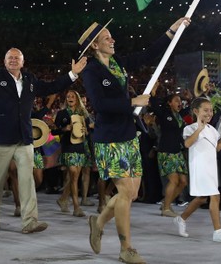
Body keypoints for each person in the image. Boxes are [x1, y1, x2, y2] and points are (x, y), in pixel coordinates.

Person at [80, 17, 189, 264]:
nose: (112, 39)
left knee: (131, 193)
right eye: (107, 37)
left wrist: (172, 30)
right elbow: (99, 105)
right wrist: (133, 101)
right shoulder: (91, 70)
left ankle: (97, 223)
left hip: (129, 134)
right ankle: (126, 248)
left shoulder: (118, 62)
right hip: (109, 139)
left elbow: (148, 54)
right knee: (125, 191)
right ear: (95, 45)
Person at [0, 39, 87, 234]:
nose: (13, 60)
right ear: (4, 61)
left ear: (23, 62)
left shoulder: (30, 80)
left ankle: (30, 221)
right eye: (10, 58)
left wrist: (72, 74)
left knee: (27, 180)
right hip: (0, 138)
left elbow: (51, 87)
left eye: (17, 58)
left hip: (24, 138)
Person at [172, 97, 221, 243]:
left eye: (211, 110)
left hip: (211, 168)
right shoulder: (190, 128)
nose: (209, 113)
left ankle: (181, 219)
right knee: (215, 196)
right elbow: (188, 144)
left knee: (201, 198)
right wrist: (199, 129)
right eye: (205, 110)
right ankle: (218, 231)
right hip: (199, 167)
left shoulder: (212, 130)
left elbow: (217, 148)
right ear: (196, 111)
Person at [53, 89, 90, 218]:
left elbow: (89, 128)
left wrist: (86, 130)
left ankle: (63, 198)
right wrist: (64, 129)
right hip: (68, 147)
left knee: (74, 177)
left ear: (77, 98)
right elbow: (54, 131)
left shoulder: (83, 113)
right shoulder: (61, 113)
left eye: (72, 96)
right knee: (73, 175)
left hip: (80, 147)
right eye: (68, 96)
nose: (70, 98)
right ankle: (76, 207)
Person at [151, 93, 188, 217]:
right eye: (177, 100)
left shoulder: (179, 116)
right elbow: (155, 106)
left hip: (177, 152)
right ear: (169, 103)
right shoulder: (164, 114)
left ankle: (166, 202)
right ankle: (166, 209)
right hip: (166, 151)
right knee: (173, 180)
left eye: (181, 101)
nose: (180, 103)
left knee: (183, 182)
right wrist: (153, 94)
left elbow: (194, 106)